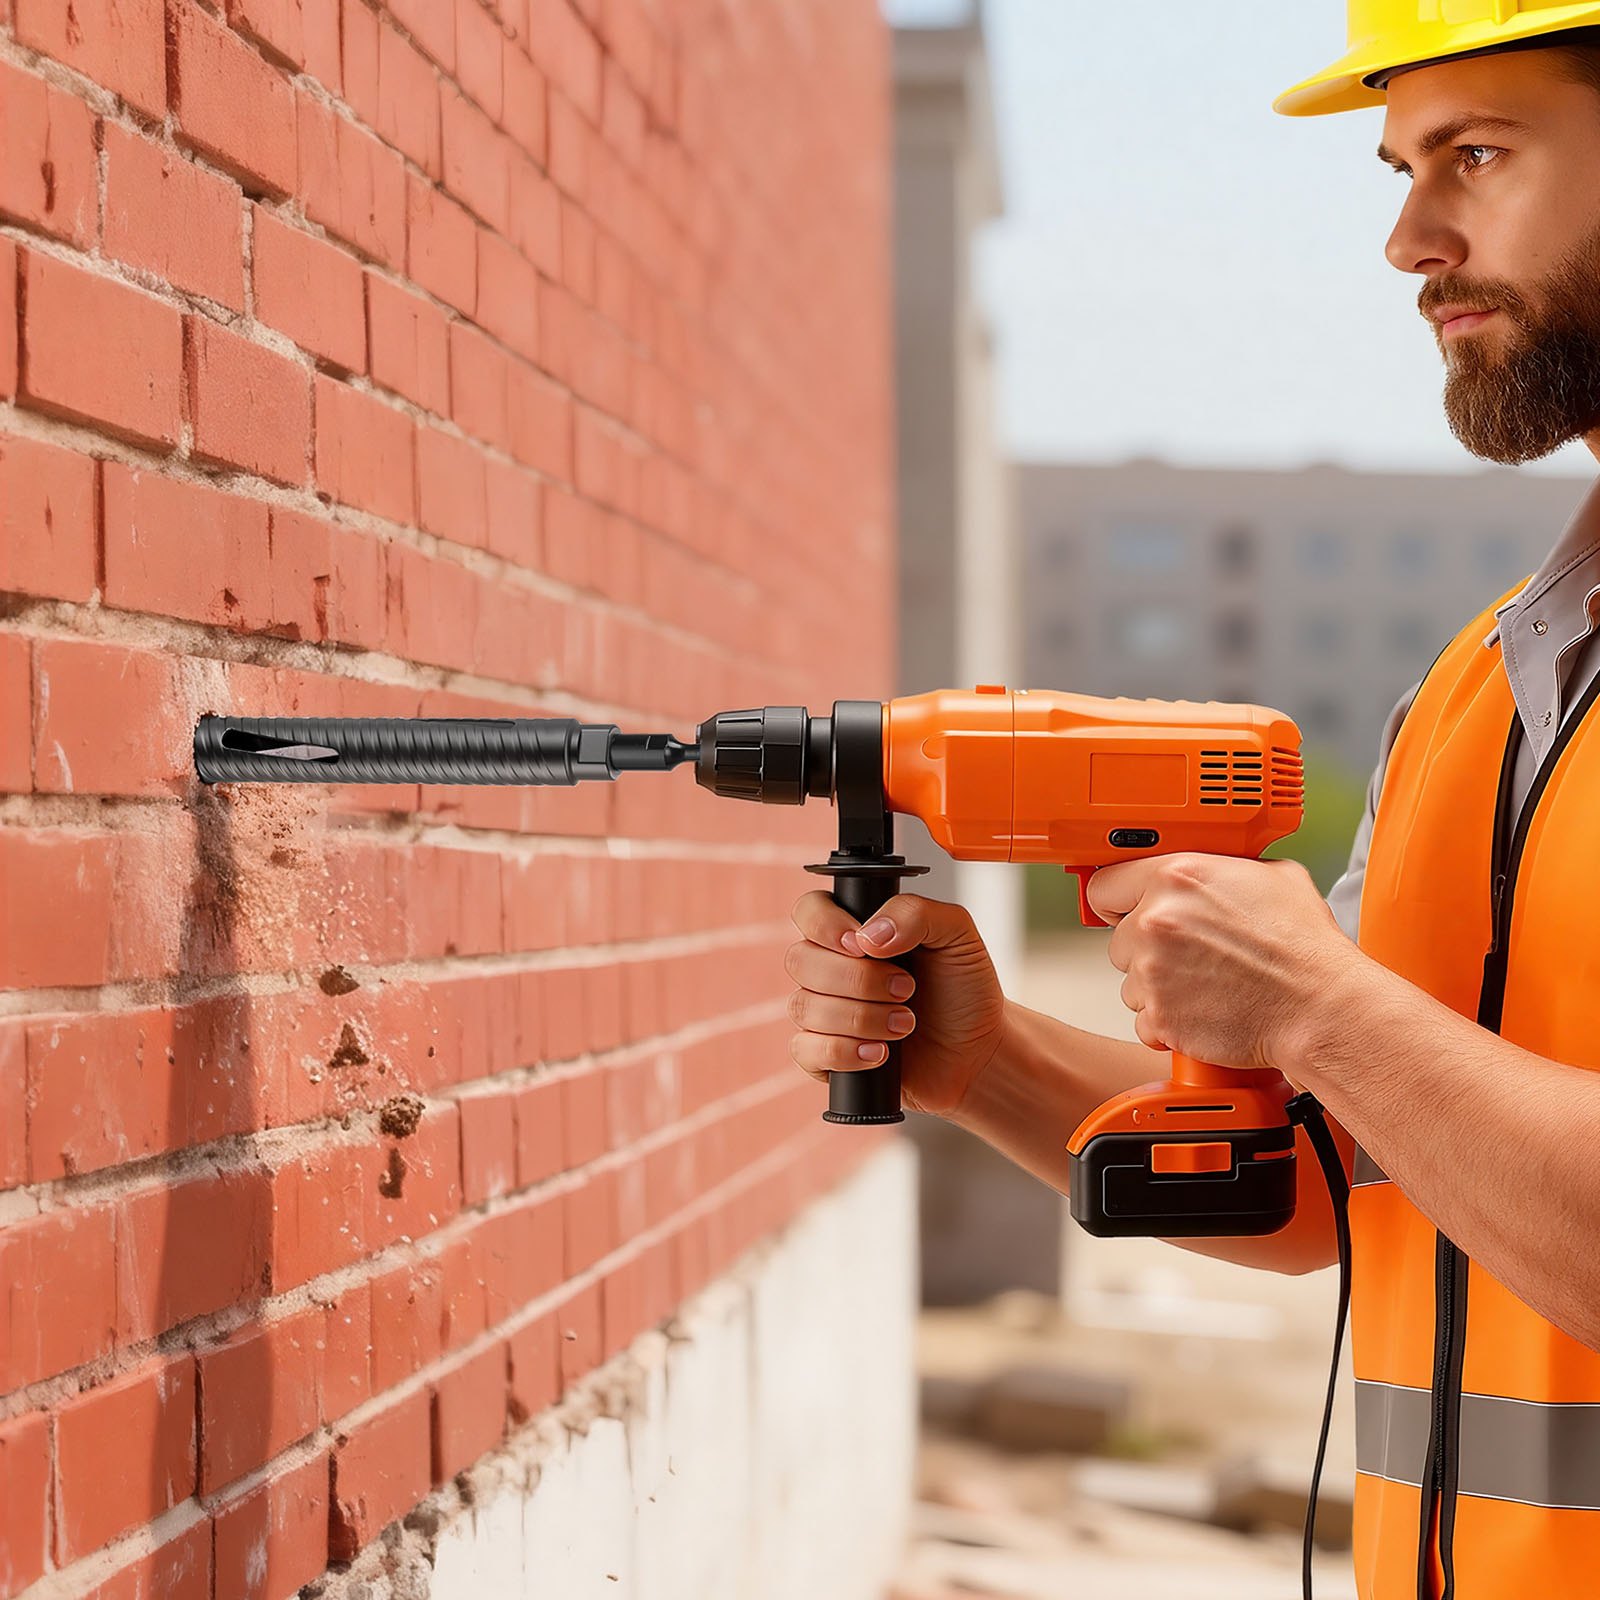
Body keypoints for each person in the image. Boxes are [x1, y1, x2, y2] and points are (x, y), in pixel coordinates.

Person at [786, 8, 1600, 1598]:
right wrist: (987, 1057)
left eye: (1477, 157)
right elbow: (1328, 1179)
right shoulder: (1482, 691)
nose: (1407, 239)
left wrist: (1320, 1006)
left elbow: (1347, 1052)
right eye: (1403, 169)